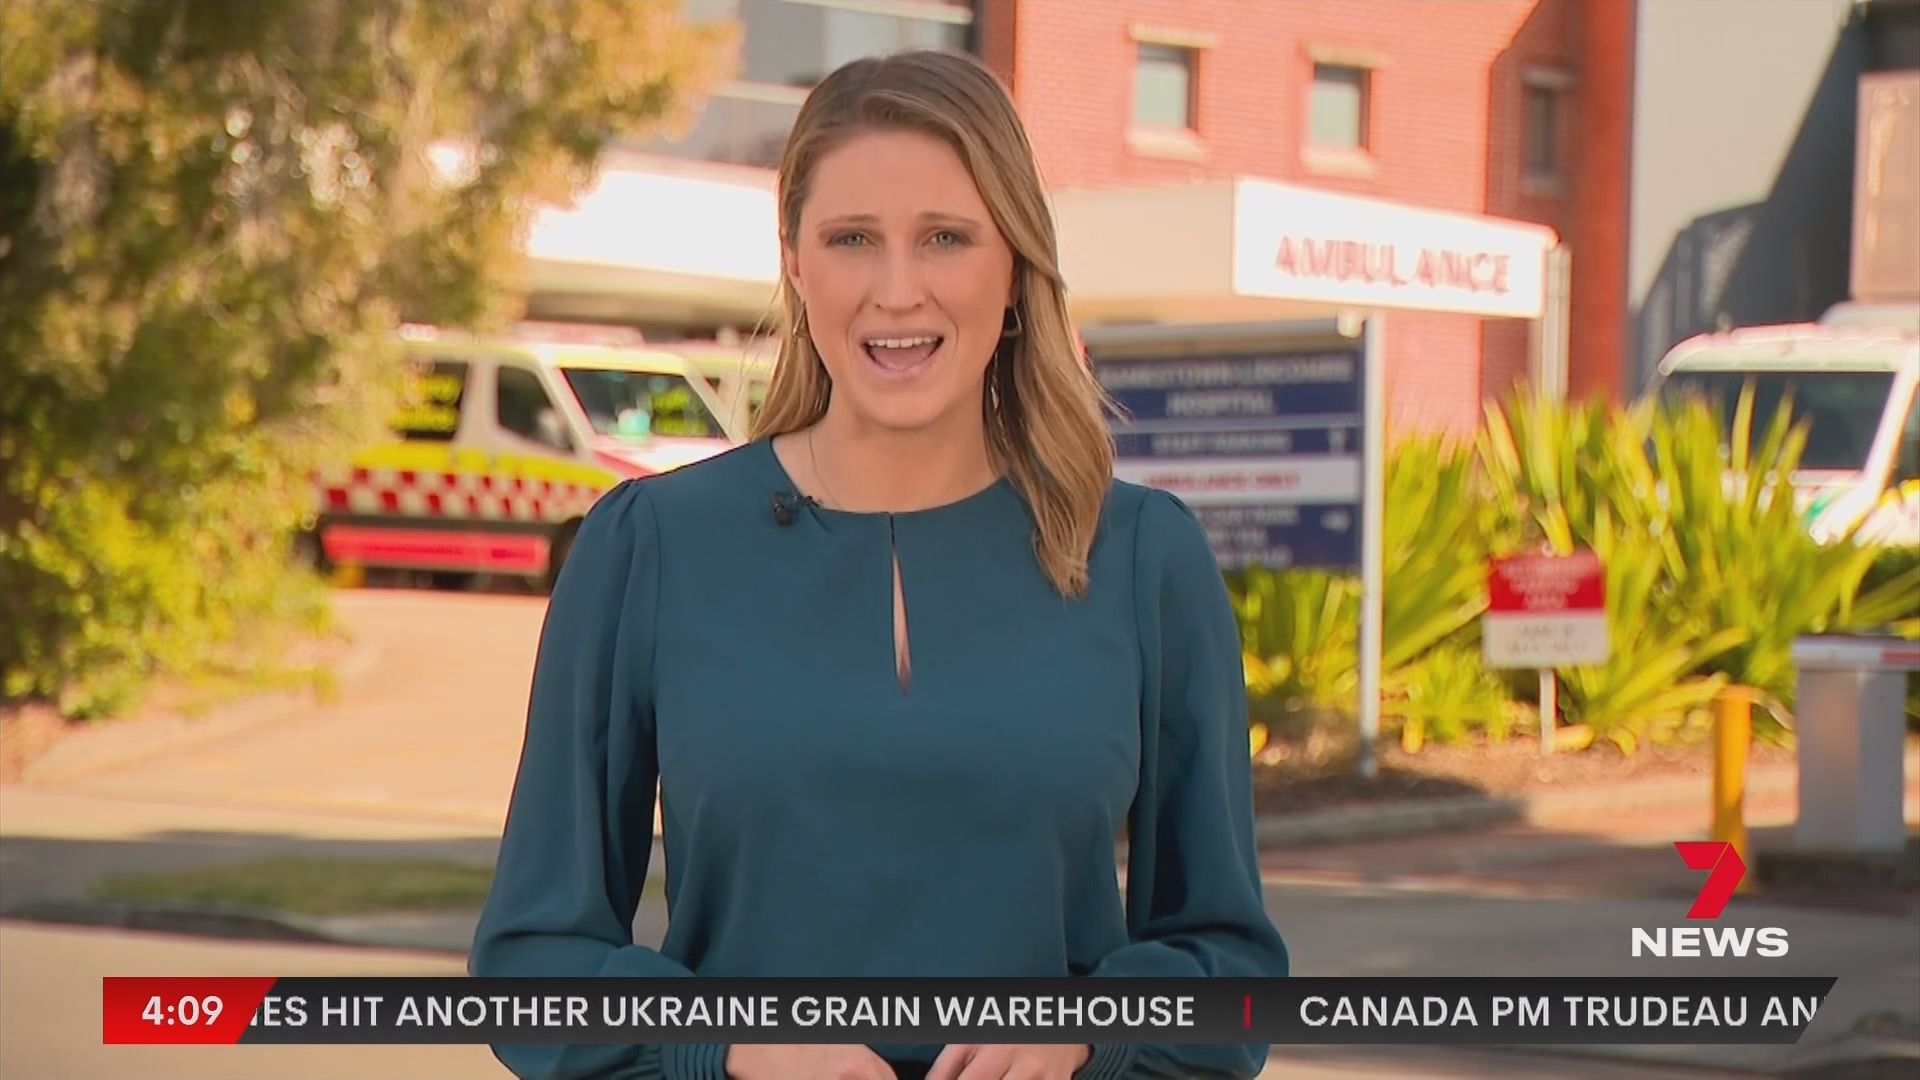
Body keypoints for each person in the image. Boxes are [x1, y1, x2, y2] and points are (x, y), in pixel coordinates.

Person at [469, 48, 1288, 1080]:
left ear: (1015, 267)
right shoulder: (650, 547)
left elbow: (1234, 976)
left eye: (946, 237)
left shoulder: (1141, 557)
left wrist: (1089, 1025)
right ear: (796, 265)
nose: (898, 292)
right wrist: (728, 1043)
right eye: (853, 239)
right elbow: (532, 966)